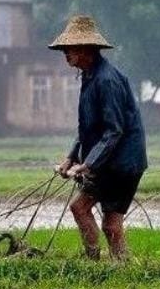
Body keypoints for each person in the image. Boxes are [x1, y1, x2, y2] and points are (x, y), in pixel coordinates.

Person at [49, 15, 148, 261]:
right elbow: (88, 129)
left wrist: (88, 164)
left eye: (70, 48)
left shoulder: (107, 81)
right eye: (64, 48)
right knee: (105, 221)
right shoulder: (89, 76)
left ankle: (97, 264)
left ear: (86, 50)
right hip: (109, 162)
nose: (65, 54)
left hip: (121, 164)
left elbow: (114, 130)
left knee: (91, 213)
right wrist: (70, 159)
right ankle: (116, 267)